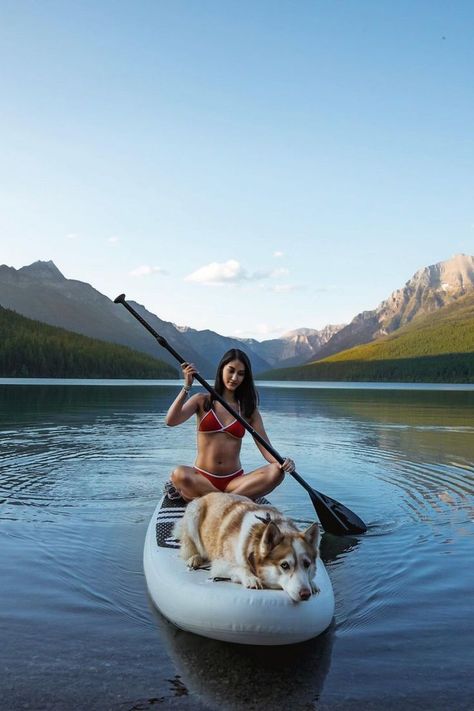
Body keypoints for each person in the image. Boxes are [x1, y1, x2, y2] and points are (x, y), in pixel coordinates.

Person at [165, 348, 295, 501]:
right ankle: (231, 501)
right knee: (178, 474)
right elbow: (171, 421)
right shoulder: (202, 401)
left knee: (276, 472)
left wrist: (284, 462)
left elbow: (267, 451)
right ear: (221, 370)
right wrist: (187, 386)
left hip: (235, 483)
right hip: (202, 479)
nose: (234, 378)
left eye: (241, 374)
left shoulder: (249, 410)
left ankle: (219, 501)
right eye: (231, 371)